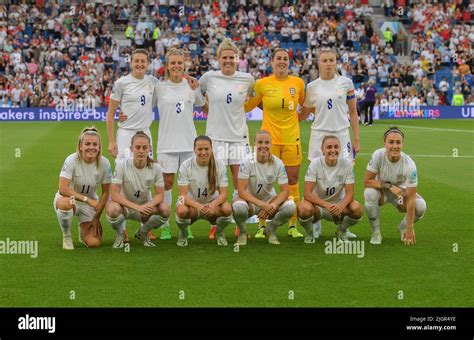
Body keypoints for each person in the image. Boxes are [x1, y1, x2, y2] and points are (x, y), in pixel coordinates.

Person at [245, 48, 306, 239]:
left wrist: (296, 121)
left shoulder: (298, 83)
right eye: (278, 58)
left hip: (291, 139)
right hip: (268, 141)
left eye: (285, 59)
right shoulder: (262, 84)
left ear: (289, 62)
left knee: (292, 181)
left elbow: (306, 106)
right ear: (271, 62)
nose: (282, 61)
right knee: (264, 181)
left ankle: (292, 225)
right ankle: (262, 226)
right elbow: (247, 106)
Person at [301, 46, 361, 239]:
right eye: (324, 60)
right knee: (317, 179)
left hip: (342, 135)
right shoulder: (312, 86)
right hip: (319, 136)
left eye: (331, 60)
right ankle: (315, 221)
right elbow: (305, 113)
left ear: (336, 62)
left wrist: (356, 138)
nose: (328, 64)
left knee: (344, 178)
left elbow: (353, 112)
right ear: (318, 63)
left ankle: (343, 226)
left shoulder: (346, 83)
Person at [199, 38, 254, 240]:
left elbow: (256, 97)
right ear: (219, 59)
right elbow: (195, 92)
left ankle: (241, 225)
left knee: (240, 184)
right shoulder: (210, 77)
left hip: (239, 137)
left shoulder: (247, 78)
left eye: (232, 57)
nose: (228, 61)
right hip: (216, 138)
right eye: (225, 57)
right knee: (215, 183)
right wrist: (204, 107)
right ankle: (216, 224)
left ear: (237, 59)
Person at [153, 48, 206, 241]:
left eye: (179, 63)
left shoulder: (191, 85)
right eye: (172, 63)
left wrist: (197, 85)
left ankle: (186, 226)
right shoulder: (159, 87)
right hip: (167, 145)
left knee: (188, 187)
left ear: (185, 65)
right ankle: (165, 226)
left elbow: (203, 105)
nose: (176, 66)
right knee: (166, 184)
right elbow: (144, 107)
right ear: (167, 66)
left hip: (188, 143)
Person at [364, 127, 427, 246]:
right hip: (382, 191)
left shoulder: (410, 165)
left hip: (400, 195)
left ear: (403, 144)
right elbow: (367, 181)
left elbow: (411, 198)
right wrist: (389, 186)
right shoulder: (378, 155)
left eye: (398, 142)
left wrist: (410, 227)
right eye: (391, 142)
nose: (395, 146)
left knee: (421, 206)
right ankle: (376, 232)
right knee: (369, 193)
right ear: (384, 143)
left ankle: (403, 228)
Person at [106, 131, 170, 248]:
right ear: (131, 148)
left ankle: (143, 232)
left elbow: (160, 195)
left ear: (149, 149)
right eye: (138, 147)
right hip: (124, 207)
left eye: (144, 147)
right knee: (112, 209)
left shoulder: (156, 167)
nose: (141, 150)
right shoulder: (121, 165)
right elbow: (114, 195)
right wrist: (137, 207)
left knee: (165, 209)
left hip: (145, 209)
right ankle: (120, 233)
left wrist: (149, 205)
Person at [232, 131, 296, 245]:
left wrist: (272, 205)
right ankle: (242, 232)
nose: (263, 146)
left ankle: (271, 230)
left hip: (268, 201)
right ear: (254, 144)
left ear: (271, 144)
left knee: (290, 206)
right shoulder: (247, 161)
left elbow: (285, 191)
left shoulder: (278, 163)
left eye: (267, 142)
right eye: (260, 142)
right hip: (249, 202)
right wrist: (262, 205)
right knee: (238, 207)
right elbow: (241, 191)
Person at [54, 127, 111, 250]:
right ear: (80, 146)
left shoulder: (105, 163)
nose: (91, 147)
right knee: (65, 204)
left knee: (94, 243)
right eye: (87, 144)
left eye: (95, 144)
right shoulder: (71, 160)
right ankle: (67, 236)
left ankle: (83, 231)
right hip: (70, 199)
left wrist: (96, 218)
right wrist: (87, 199)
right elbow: (63, 189)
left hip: (89, 206)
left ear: (99, 147)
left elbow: (106, 192)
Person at [298, 136, 363, 244]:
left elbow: (350, 193)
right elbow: (307, 194)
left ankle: (341, 231)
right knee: (304, 208)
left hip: (338, 206)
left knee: (357, 208)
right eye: (329, 147)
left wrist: (340, 206)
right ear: (322, 149)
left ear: (340, 148)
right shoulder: (315, 163)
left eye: (336, 147)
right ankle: (309, 232)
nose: (333, 150)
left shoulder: (347, 164)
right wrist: (327, 205)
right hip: (318, 207)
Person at [175, 136, 233, 247]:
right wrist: (199, 207)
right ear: (194, 150)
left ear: (212, 149)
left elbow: (224, 194)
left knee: (227, 209)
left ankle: (219, 232)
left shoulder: (219, 165)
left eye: (206, 149)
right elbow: (182, 196)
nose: (203, 152)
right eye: (200, 149)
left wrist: (212, 205)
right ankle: (183, 232)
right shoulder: (186, 166)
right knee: (181, 210)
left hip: (212, 206)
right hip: (192, 206)